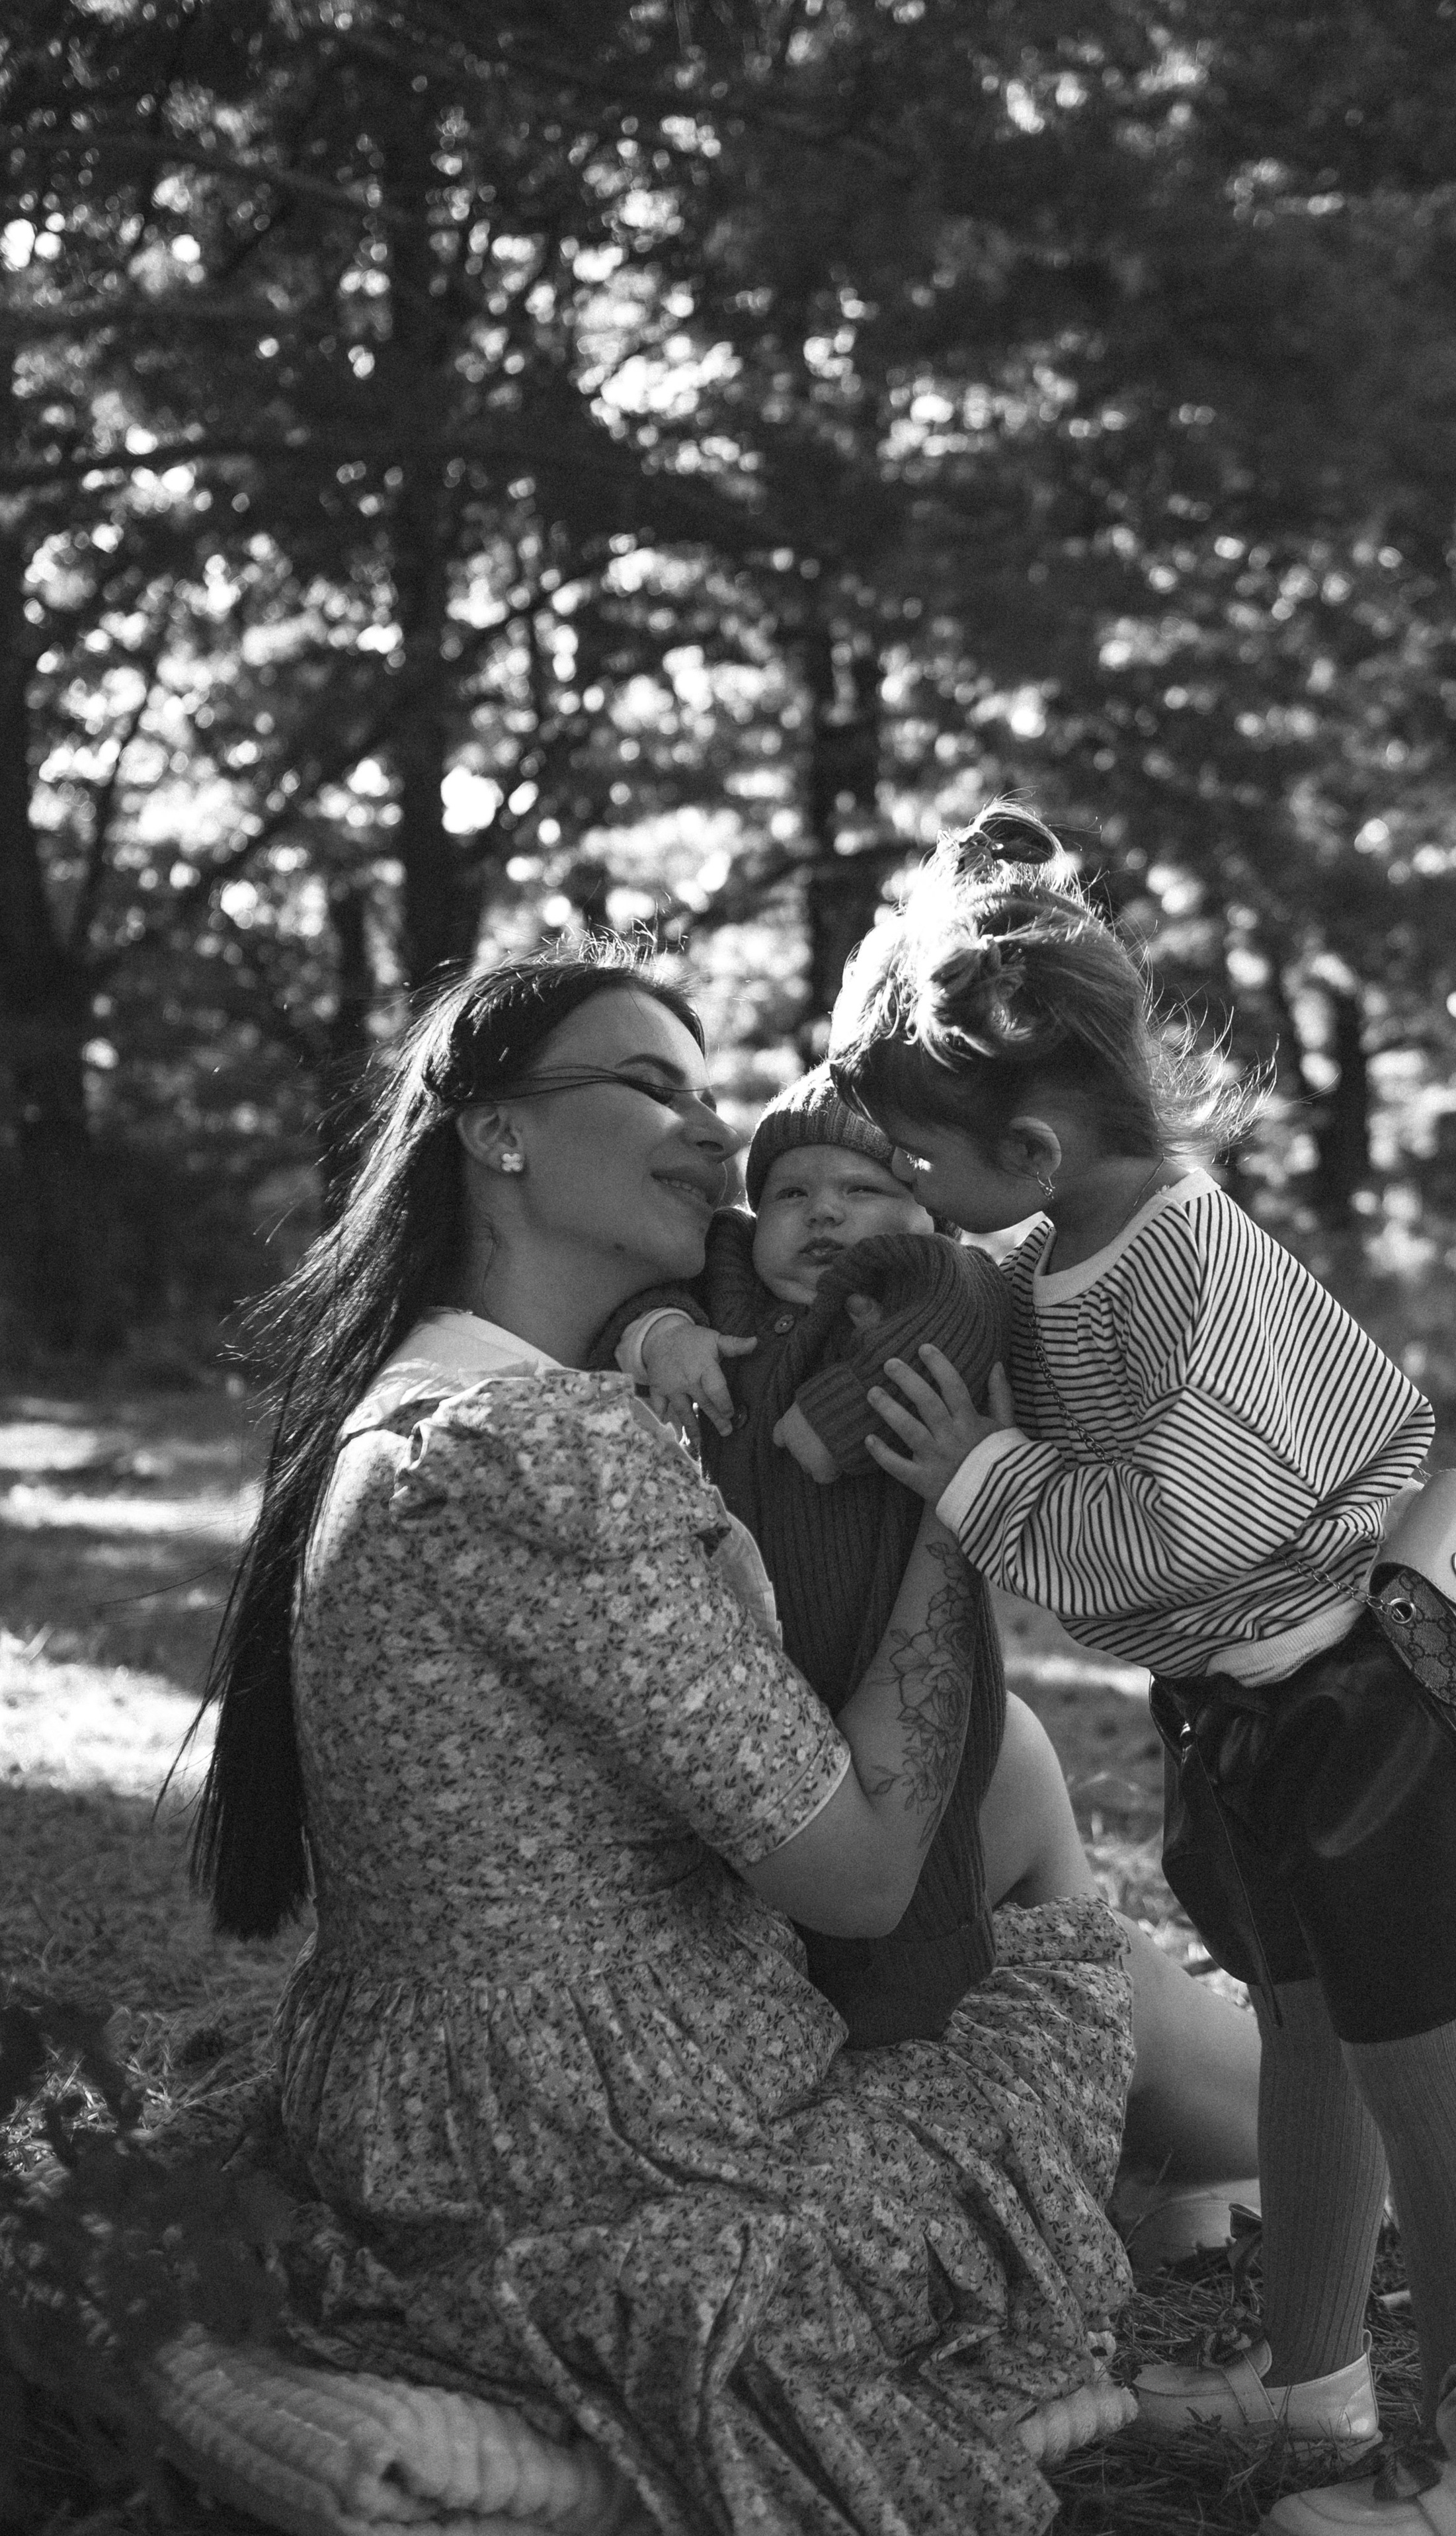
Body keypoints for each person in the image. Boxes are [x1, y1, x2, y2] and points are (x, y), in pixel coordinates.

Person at [189, 941, 1143, 2536]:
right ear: (494, 1132)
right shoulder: (532, 1453)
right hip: (601, 2137)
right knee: (1044, 1914)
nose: (713, 1138)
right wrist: (958, 1512)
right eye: (651, 1087)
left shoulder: (426, 1400)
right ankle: (1327, 2130)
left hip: (447, 2084)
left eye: (711, 1098)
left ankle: (1297, 2131)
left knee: (1029, 1780)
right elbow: (854, 1872)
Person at [824, 808, 1456, 2536]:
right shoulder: (1065, 1241)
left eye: (914, 1159)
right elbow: (996, 1292)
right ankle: (1312, 2375)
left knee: (1425, 2078)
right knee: (1307, 2043)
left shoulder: (1194, 1264)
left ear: (1033, 1141)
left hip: (1375, 1720)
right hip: (1267, 1724)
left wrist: (978, 1475)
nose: (907, 1188)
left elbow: (1180, 1519)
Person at [597, 1062, 1264, 2230]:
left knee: (940, 1958)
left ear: (926, 1206)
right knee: (872, 1952)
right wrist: (659, 1336)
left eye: (863, 1188)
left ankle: (1316, 2157)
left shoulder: (932, 1271)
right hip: (781, 1727)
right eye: (794, 1193)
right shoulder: (732, 1301)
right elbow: (654, 1287)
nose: (826, 1215)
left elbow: (954, 1320)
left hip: (909, 1708)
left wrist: (824, 1427)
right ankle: (1190, 2176)